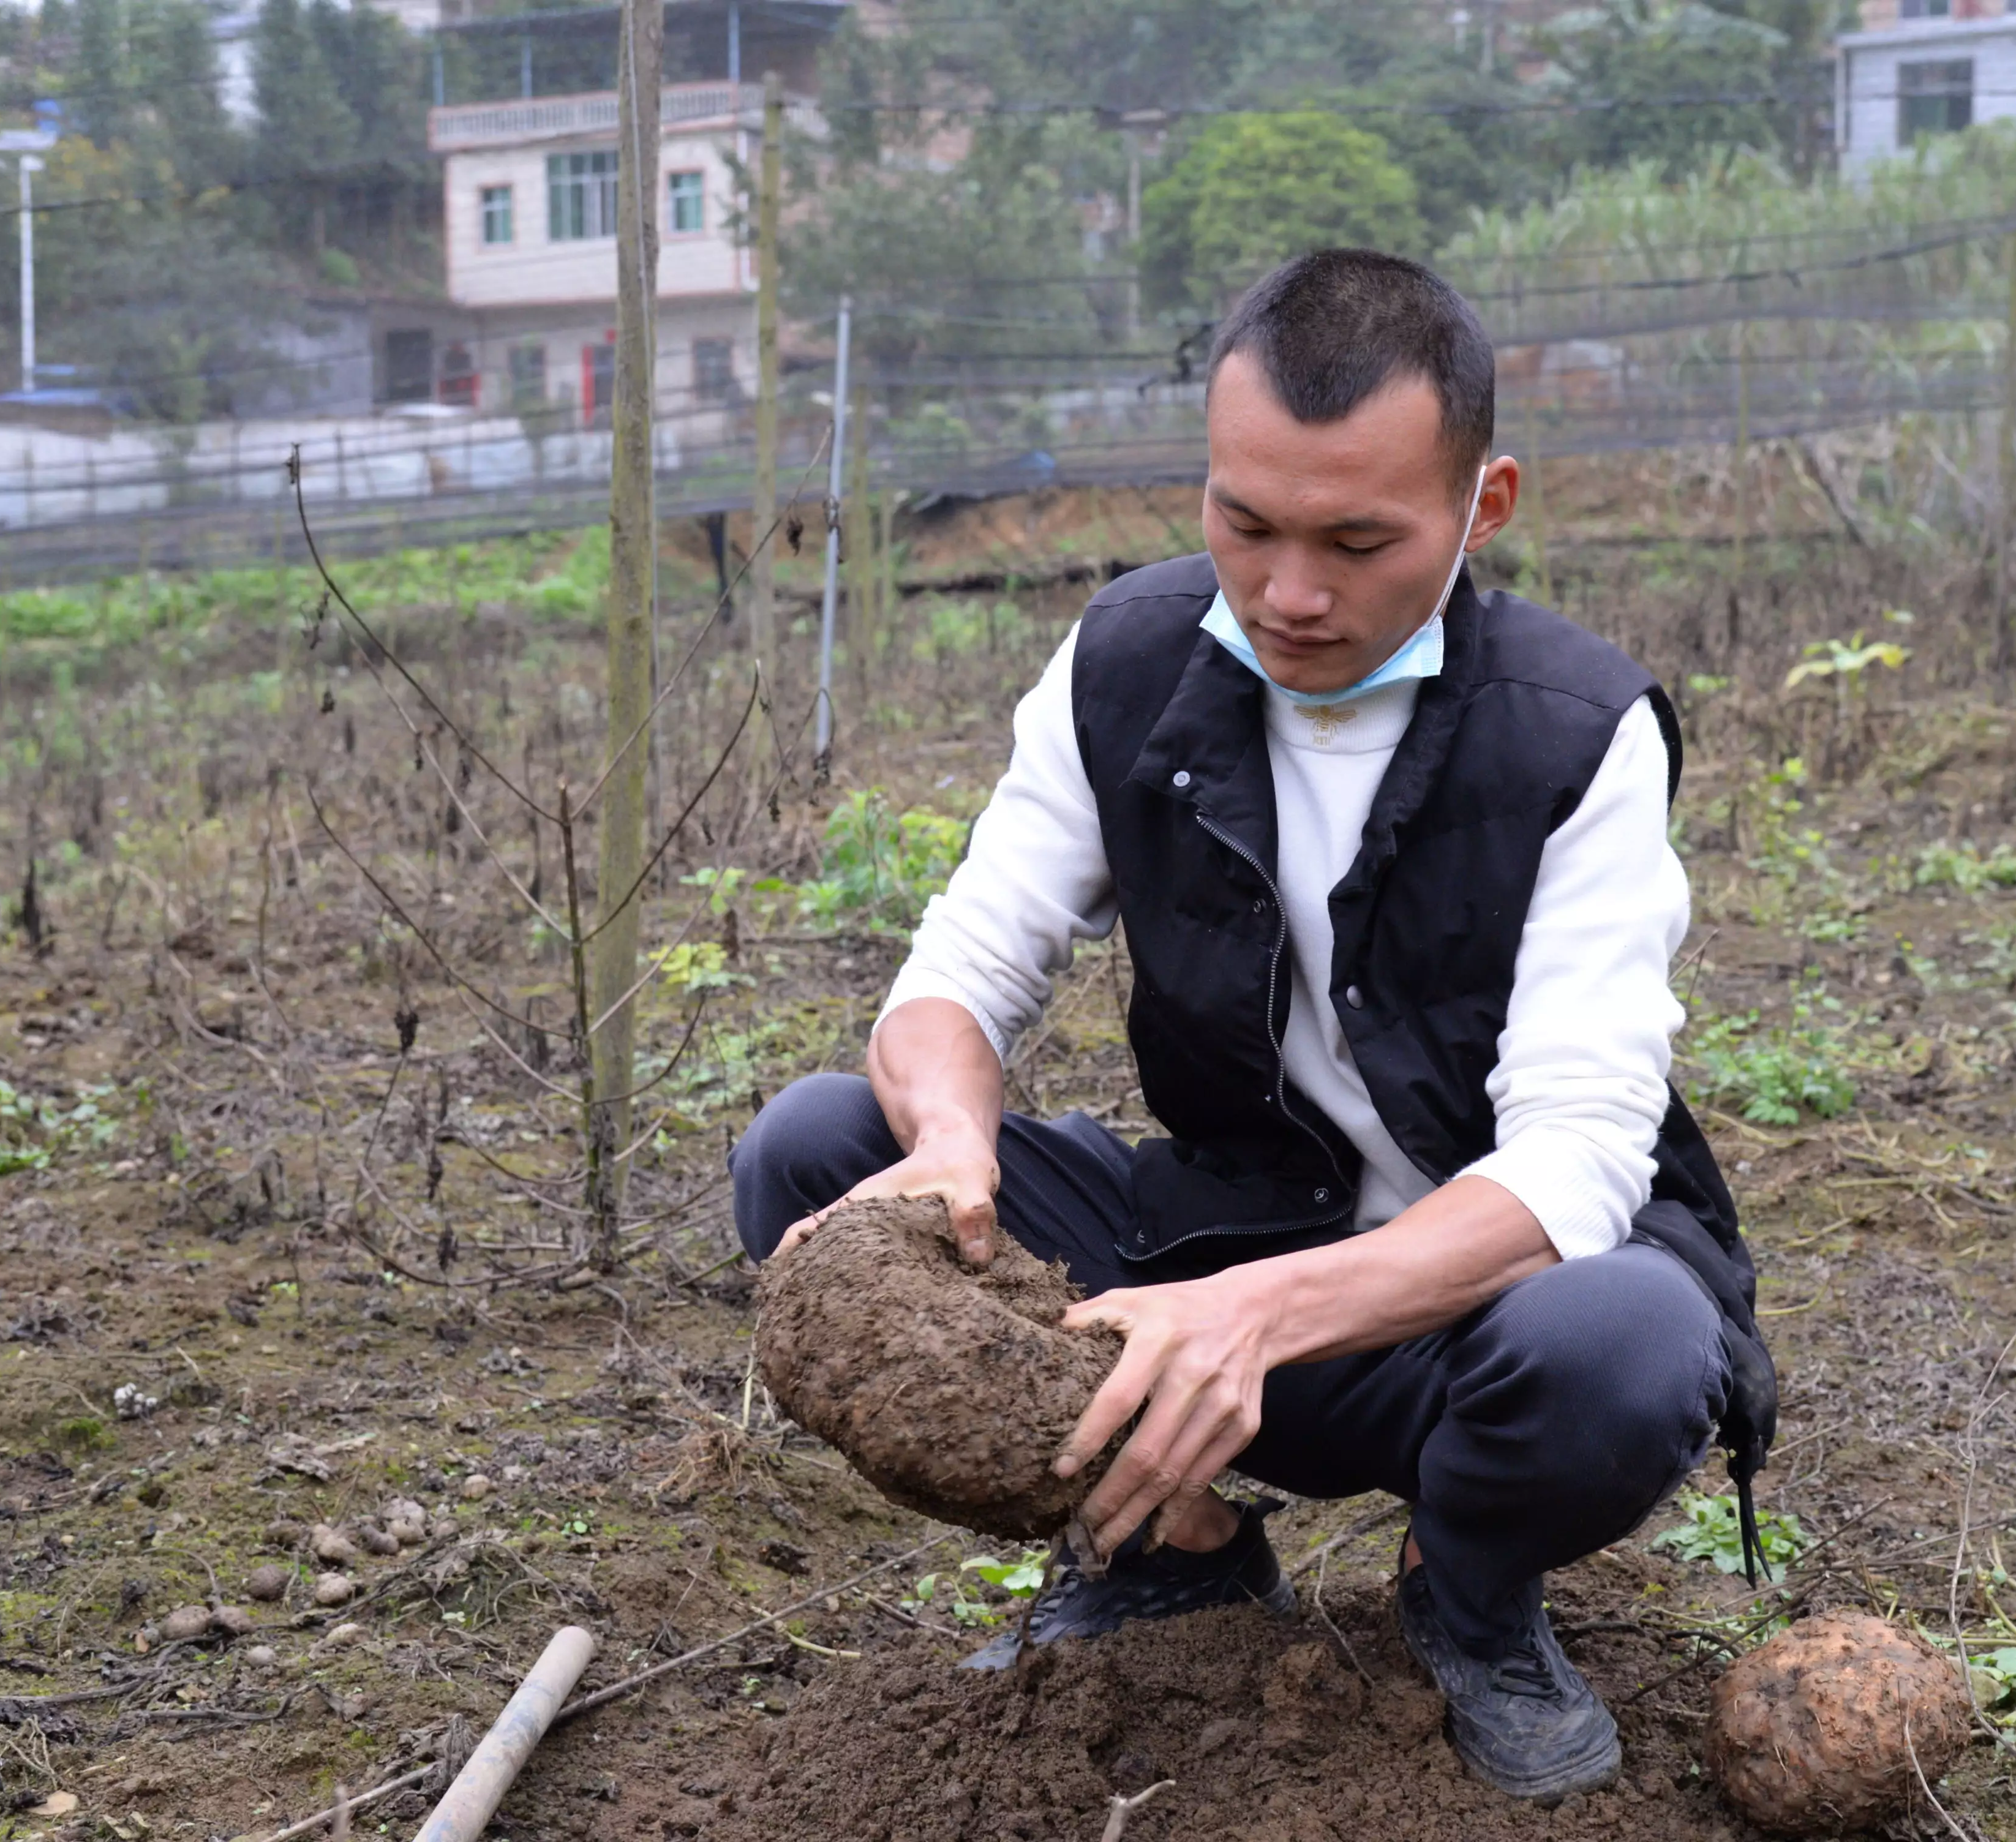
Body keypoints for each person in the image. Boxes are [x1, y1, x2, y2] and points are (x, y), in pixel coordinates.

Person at [730, 247, 1776, 1805]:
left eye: (1360, 540)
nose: (1291, 593)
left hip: (1457, 1320)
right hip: (1213, 1254)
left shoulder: (1579, 737)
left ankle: (1468, 1596)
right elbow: (964, 966)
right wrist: (949, 1142)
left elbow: (1574, 1165)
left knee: (1626, 1339)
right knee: (824, 1158)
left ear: (1483, 506)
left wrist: (1257, 1319)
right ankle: (1174, 1544)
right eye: (1246, 524)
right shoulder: (1130, 662)